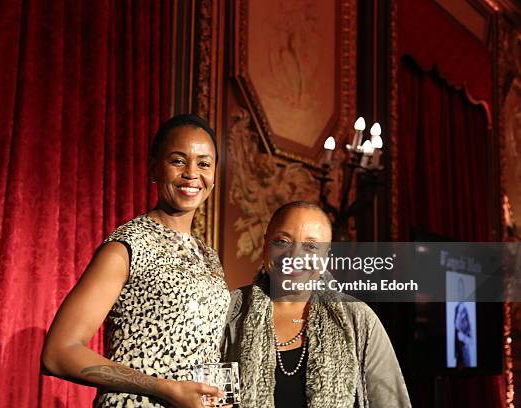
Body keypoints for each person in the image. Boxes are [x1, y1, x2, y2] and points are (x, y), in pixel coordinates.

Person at [41, 114, 230, 408]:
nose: (192, 173)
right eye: (178, 161)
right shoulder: (127, 246)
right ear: (154, 168)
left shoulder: (209, 257)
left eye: (204, 163)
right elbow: (59, 352)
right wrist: (165, 388)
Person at [221, 201, 411, 408]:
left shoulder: (358, 318)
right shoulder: (230, 310)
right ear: (266, 244)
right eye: (283, 241)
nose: (294, 256)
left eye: (311, 246)